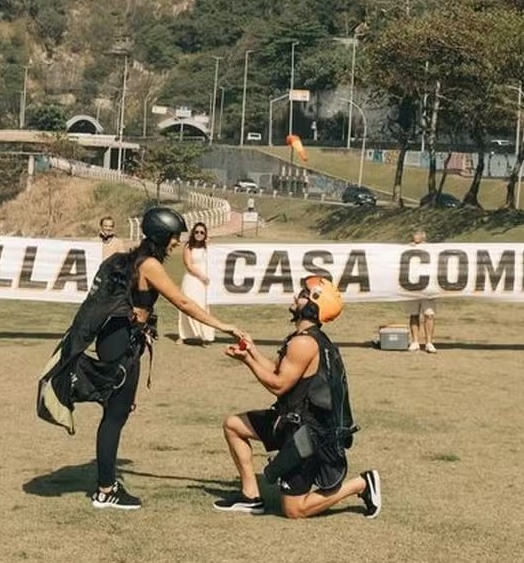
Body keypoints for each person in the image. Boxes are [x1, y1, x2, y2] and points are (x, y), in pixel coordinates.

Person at [44, 206, 248, 511]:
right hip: (121, 342)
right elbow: (180, 300)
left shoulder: (134, 257)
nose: (178, 242)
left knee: (118, 411)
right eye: (175, 237)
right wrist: (222, 325)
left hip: (117, 339)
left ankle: (107, 482)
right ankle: (105, 490)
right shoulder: (150, 264)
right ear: (162, 236)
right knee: (115, 415)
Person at [216, 276, 381, 519]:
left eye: (303, 294)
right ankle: (251, 497)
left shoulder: (305, 343)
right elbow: (279, 370)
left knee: (294, 510)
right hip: (288, 421)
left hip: (305, 435)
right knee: (233, 425)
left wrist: (247, 361)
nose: (297, 296)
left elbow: (278, 385)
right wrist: (251, 350)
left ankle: (362, 484)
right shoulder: (304, 339)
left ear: (313, 306)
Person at [177, 222, 215, 346]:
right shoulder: (188, 246)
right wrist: (201, 276)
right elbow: (188, 265)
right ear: (193, 233)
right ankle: (183, 335)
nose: (199, 234)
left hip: (205, 282)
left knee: (203, 307)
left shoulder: (207, 247)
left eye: (202, 232)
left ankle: (205, 336)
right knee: (187, 306)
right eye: (197, 232)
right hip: (192, 280)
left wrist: (211, 245)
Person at [405, 229, 437, 353]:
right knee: (414, 314)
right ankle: (415, 341)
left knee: (429, 314)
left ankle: (429, 342)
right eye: (413, 234)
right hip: (412, 286)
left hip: (428, 286)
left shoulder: (431, 249)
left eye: (417, 234)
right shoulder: (407, 248)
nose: (415, 236)